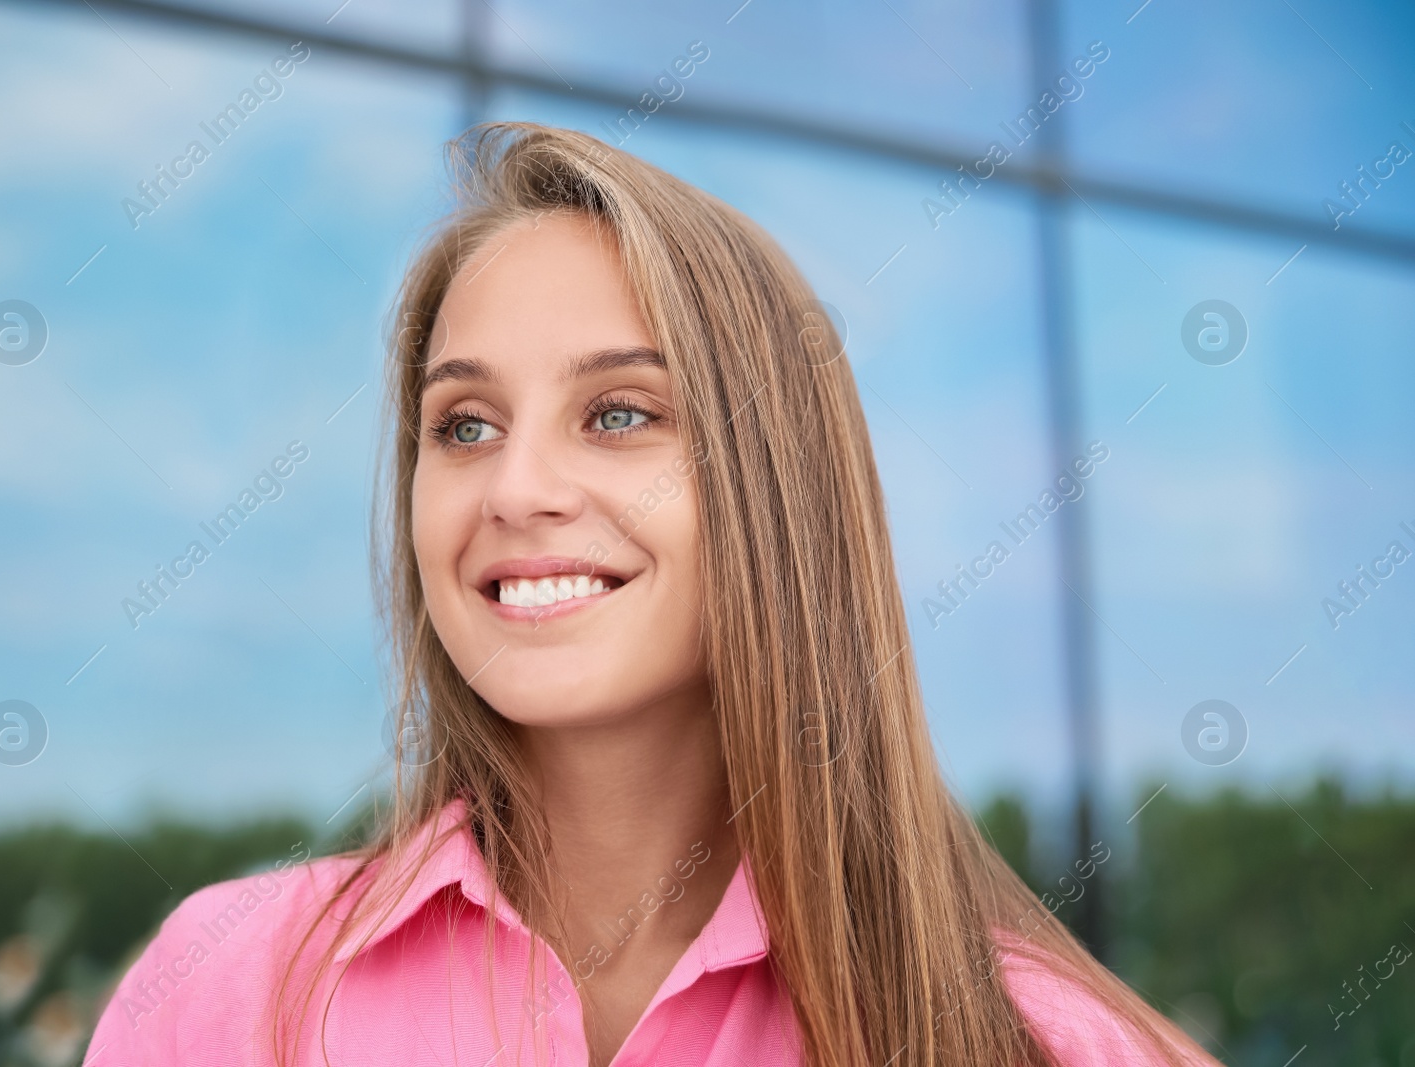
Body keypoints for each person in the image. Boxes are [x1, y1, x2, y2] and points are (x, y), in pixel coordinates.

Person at [82, 122, 1218, 1067]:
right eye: (463, 426)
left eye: (619, 413)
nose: (515, 488)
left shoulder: (1050, 1044)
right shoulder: (227, 985)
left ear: (775, 488)